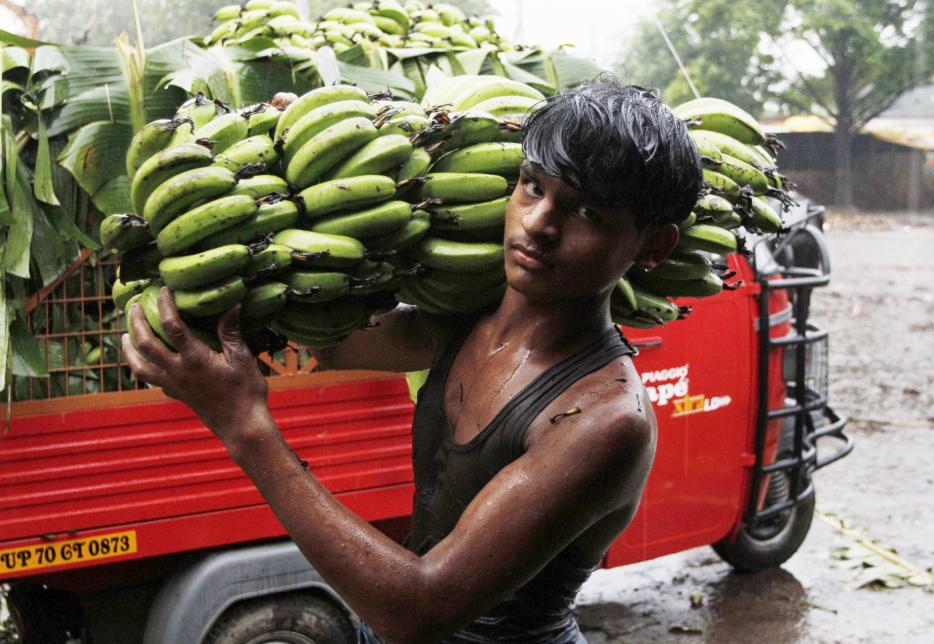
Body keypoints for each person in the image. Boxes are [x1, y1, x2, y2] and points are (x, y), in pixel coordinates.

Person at [122, 79, 701, 644]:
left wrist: (243, 426)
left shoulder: (603, 420)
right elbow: (335, 339)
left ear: (653, 247)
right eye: (531, 186)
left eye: (587, 213)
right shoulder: (465, 319)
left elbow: (419, 609)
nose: (538, 224)